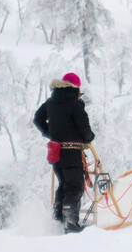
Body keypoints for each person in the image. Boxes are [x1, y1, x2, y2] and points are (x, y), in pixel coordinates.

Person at [32, 72, 95, 233]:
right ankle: (70, 222)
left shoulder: (51, 102)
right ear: (75, 87)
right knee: (75, 186)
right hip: (72, 152)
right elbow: (84, 127)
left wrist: (51, 133)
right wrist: (89, 137)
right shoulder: (75, 103)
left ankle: (59, 218)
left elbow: (37, 119)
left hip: (56, 153)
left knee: (64, 185)